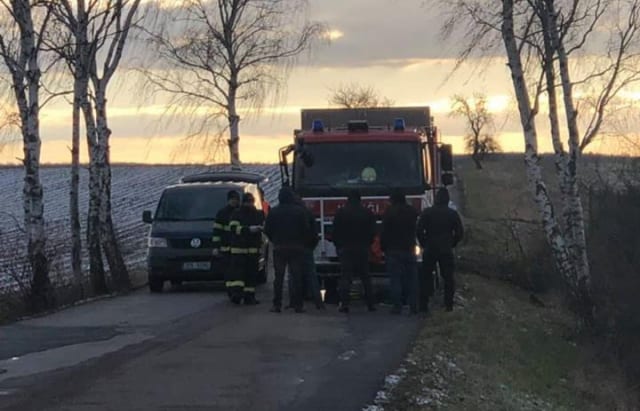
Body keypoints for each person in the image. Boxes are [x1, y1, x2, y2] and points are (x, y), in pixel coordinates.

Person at [264, 186, 312, 313]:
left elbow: (267, 229)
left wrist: (275, 240)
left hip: (279, 247)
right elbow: (306, 230)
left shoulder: (273, 212)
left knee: (278, 278)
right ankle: (298, 305)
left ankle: (277, 304)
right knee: (297, 277)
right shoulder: (300, 211)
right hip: (296, 248)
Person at [416, 187, 464, 312]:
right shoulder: (452, 214)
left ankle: (423, 305)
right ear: (447, 200)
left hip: (430, 248)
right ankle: (448, 305)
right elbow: (459, 232)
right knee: (448, 278)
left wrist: (424, 243)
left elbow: (419, 230)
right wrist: (452, 243)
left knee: (425, 277)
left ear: (436, 199)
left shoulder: (427, 212)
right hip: (445, 249)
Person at [332, 190, 377, 313]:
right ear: (360, 199)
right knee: (366, 277)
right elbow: (373, 232)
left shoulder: (341, 213)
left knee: (346, 277)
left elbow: (335, 232)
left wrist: (339, 246)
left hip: (346, 248)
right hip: (362, 248)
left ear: (348, 199)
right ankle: (371, 304)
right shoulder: (367, 213)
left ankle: (344, 304)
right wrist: (368, 244)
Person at [381, 190, 419, 315]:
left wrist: (383, 248)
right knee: (412, 279)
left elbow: (384, 232)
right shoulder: (412, 212)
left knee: (395, 279)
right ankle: (414, 306)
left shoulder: (389, 213)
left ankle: (397, 306)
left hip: (393, 250)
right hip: (409, 249)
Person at [227, 193, 265, 305]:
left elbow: (263, 226)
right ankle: (237, 295)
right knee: (239, 275)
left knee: (251, 275)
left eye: (251, 202)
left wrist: (259, 229)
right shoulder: (237, 214)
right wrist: (248, 230)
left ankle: (249, 297)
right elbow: (233, 228)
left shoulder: (257, 214)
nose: (249, 204)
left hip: (251, 250)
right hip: (240, 249)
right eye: (248, 202)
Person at [213, 190, 241, 299]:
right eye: (233, 199)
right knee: (228, 271)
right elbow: (217, 232)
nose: (234, 202)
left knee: (238, 271)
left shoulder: (240, 212)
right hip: (226, 247)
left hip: (238, 247)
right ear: (228, 200)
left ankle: (236, 292)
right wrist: (216, 247)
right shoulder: (222, 213)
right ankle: (231, 291)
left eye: (236, 200)